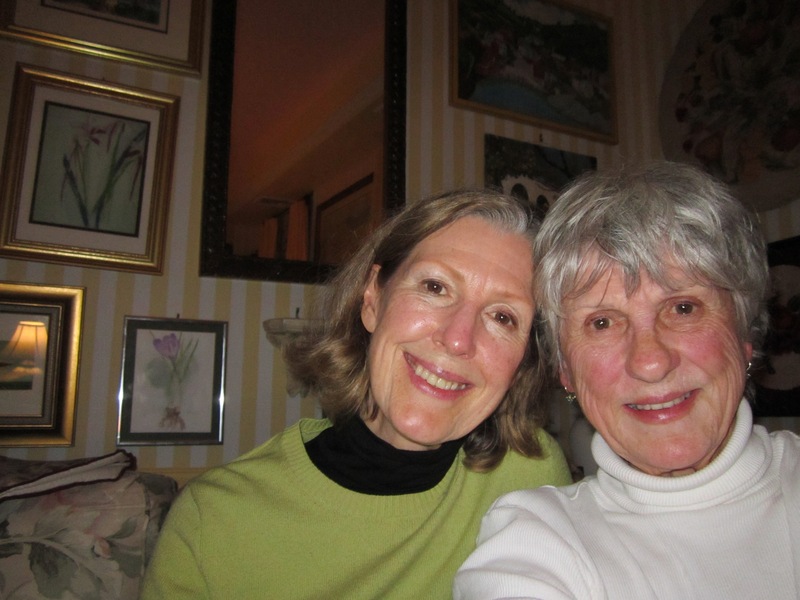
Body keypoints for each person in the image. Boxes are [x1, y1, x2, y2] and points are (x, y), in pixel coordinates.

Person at [141, 189, 571, 599]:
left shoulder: (531, 477)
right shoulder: (213, 522)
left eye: (502, 317)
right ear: (372, 300)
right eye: (435, 287)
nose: (458, 339)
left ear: (524, 359)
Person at [454, 162, 800, 599]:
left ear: (744, 336)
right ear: (566, 372)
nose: (650, 362)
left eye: (683, 308)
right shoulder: (537, 541)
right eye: (601, 322)